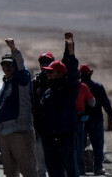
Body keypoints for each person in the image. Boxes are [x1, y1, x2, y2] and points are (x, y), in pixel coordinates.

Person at [37, 32, 80, 177]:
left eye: (52, 72)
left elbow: (71, 71)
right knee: (54, 173)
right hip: (50, 142)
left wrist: (70, 50)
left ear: (61, 74)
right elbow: (40, 114)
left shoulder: (69, 90)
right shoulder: (47, 92)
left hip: (65, 140)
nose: (48, 74)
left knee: (71, 171)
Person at [0, 38, 37, 177]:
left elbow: (20, 67)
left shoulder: (22, 80)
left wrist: (14, 50)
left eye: (9, 64)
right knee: (10, 173)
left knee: (28, 171)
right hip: (6, 134)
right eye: (4, 65)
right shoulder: (7, 82)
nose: (6, 68)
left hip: (20, 133)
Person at [80, 64, 112, 176]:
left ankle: (81, 168)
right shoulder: (98, 87)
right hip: (96, 120)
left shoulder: (78, 87)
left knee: (80, 144)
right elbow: (106, 103)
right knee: (98, 145)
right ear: (90, 73)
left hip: (82, 120)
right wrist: (111, 115)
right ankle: (98, 168)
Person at [32, 51, 54, 177]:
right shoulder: (35, 82)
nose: (44, 64)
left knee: (54, 164)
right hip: (39, 129)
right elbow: (31, 104)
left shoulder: (57, 80)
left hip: (55, 130)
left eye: (47, 61)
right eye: (42, 62)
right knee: (40, 167)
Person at [75, 77, 96, 175]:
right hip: (79, 118)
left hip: (67, 118)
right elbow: (92, 102)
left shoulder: (65, 85)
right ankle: (81, 170)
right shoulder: (82, 87)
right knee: (80, 145)